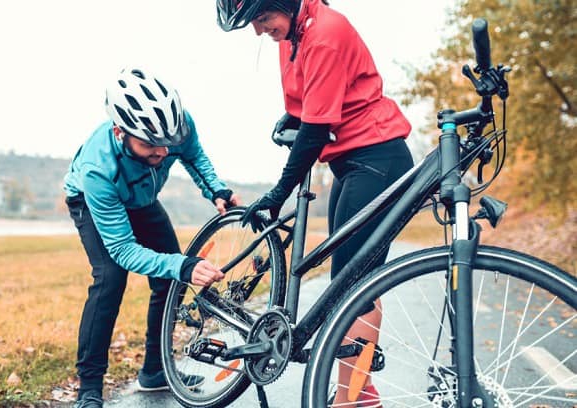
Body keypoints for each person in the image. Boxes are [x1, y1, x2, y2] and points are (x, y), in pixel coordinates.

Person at [216, 0, 414, 406]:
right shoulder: (291, 33)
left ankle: (353, 397)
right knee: (345, 279)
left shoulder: (325, 34)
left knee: (354, 286)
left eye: (261, 19)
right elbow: (312, 102)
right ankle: (360, 393)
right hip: (349, 162)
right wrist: (293, 116)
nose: (259, 30)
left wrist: (278, 192)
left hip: (377, 159)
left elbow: (317, 128)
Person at [64, 67, 240, 407]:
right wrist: (183, 265)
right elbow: (124, 250)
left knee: (166, 281)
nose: (161, 154)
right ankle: (89, 389)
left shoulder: (177, 126)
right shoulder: (97, 169)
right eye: (148, 145)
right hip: (93, 203)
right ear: (120, 131)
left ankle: (155, 371)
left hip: (143, 199)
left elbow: (192, 154)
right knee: (110, 280)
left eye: (165, 144)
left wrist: (215, 190)